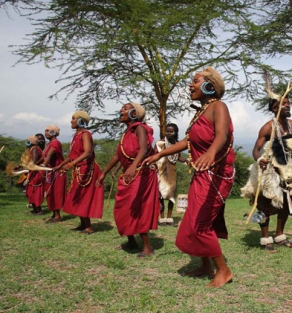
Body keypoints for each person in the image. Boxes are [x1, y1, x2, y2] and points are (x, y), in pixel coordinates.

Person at [144, 67, 235, 288]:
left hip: (216, 174)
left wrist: (211, 152)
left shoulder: (218, 106)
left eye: (195, 81)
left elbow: (222, 135)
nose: (190, 85)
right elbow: (188, 142)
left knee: (200, 223)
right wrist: (161, 153)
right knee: (197, 219)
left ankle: (224, 271)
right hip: (202, 174)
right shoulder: (201, 112)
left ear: (209, 86)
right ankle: (206, 265)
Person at [244, 77, 292, 253]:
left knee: (286, 204)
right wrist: (259, 160)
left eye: (288, 103)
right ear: (274, 108)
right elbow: (256, 149)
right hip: (270, 170)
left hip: (288, 169)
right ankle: (265, 238)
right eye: (283, 104)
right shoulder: (268, 127)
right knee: (266, 205)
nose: (288, 105)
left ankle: (279, 236)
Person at [96, 102, 160, 257]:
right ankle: (131, 241)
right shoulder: (126, 133)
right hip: (128, 175)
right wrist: (104, 172)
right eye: (122, 108)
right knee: (122, 209)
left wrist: (134, 166)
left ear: (134, 113)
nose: (121, 110)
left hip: (142, 174)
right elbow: (119, 155)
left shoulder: (140, 128)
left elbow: (144, 149)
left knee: (137, 208)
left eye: (125, 108)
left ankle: (146, 247)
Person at [55, 111, 104, 234]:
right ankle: (83, 224)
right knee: (76, 196)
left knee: (83, 196)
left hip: (87, 170)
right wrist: (59, 165)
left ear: (81, 120)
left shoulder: (85, 134)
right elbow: (72, 155)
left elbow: (87, 152)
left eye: (73, 118)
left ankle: (88, 227)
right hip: (79, 169)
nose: (71, 121)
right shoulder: (76, 135)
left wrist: (71, 164)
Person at [155, 123, 187, 227]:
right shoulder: (160, 143)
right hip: (161, 172)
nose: (168, 133)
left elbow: (177, 157)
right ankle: (162, 218)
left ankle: (169, 218)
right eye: (167, 131)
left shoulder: (178, 144)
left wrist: (187, 161)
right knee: (161, 195)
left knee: (171, 195)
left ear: (175, 132)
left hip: (172, 172)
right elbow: (154, 155)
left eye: (171, 131)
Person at [40, 125, 66, 223]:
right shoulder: (49, 144)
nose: (45, 132)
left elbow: (50, 155)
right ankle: (54, 214)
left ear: (53, 132)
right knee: (50, 193)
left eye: (48, 131)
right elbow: (44, 156)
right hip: (50, 172)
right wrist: (34, 165)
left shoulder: (56, 143)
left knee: (56, 193)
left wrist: (43, 165)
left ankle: (58, 215)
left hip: (57, 172)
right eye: (45, 130)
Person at [24, 135, 46, 215]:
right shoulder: (33, 149)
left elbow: (34, 161)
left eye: (28, 140)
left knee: (35, 191)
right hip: (33, 171)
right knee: (30, 191)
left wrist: (25, 166)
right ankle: (35, 209)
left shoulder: (34, 149)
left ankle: (39, 210)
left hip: (37, 172)